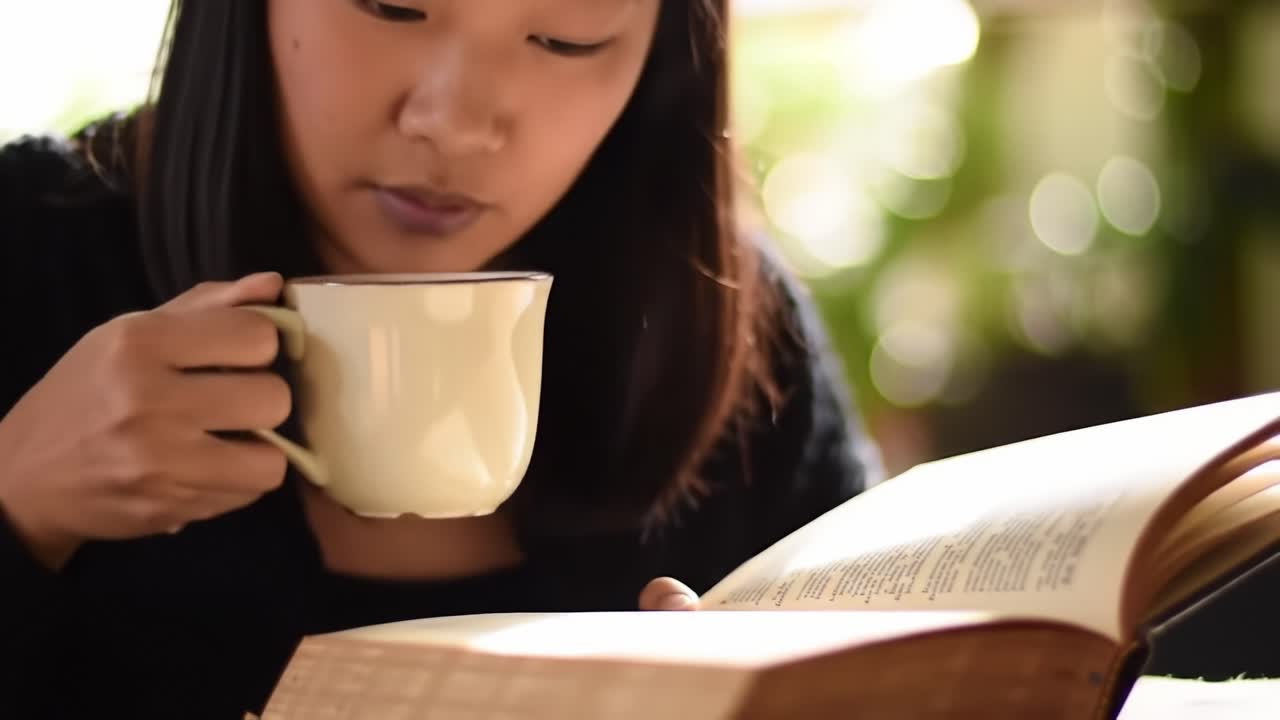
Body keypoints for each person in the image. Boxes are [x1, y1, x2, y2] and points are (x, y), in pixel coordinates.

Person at [0, 1, 882, 717]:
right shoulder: (30, 253)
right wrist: (19, 495)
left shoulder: (719, 323)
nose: (453, 122)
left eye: (565, 38)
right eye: (393, 6)